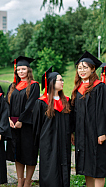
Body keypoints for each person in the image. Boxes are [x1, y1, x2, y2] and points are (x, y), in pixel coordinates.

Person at [71, 51, 106, 187]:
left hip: (95, 133)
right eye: (80, 67)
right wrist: (72, 132)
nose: (82, 70)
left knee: (97, 166)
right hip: (81, 134)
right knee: (86, 165)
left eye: (85, 67)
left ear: (92, 69)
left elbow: (103, 111)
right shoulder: (78, 88)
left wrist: (102, 133)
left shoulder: (99, 87)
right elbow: (74, 113)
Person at [33, 66, 72, 187]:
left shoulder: (66, 101)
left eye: (62, 80)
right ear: (51, 83)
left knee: (64, 165)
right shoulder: (41, 102)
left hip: (64, 140)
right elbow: (37, 126)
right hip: (48, 141)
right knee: (50, 167)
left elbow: (71, 122)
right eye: (60, 80)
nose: (62, 82)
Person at [5, 56, 40, 187]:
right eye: (19, 69)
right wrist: (8, 118)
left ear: (28, 70)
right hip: (13, 125)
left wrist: (21, 120)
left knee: (29, 153)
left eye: (23, 69)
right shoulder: (13, 86)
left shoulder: (34, 85)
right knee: (17, 153)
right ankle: (20, 181)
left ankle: (28, 181)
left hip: (27, 126)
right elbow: (6, 104)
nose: (21, 72)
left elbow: (31, 105)